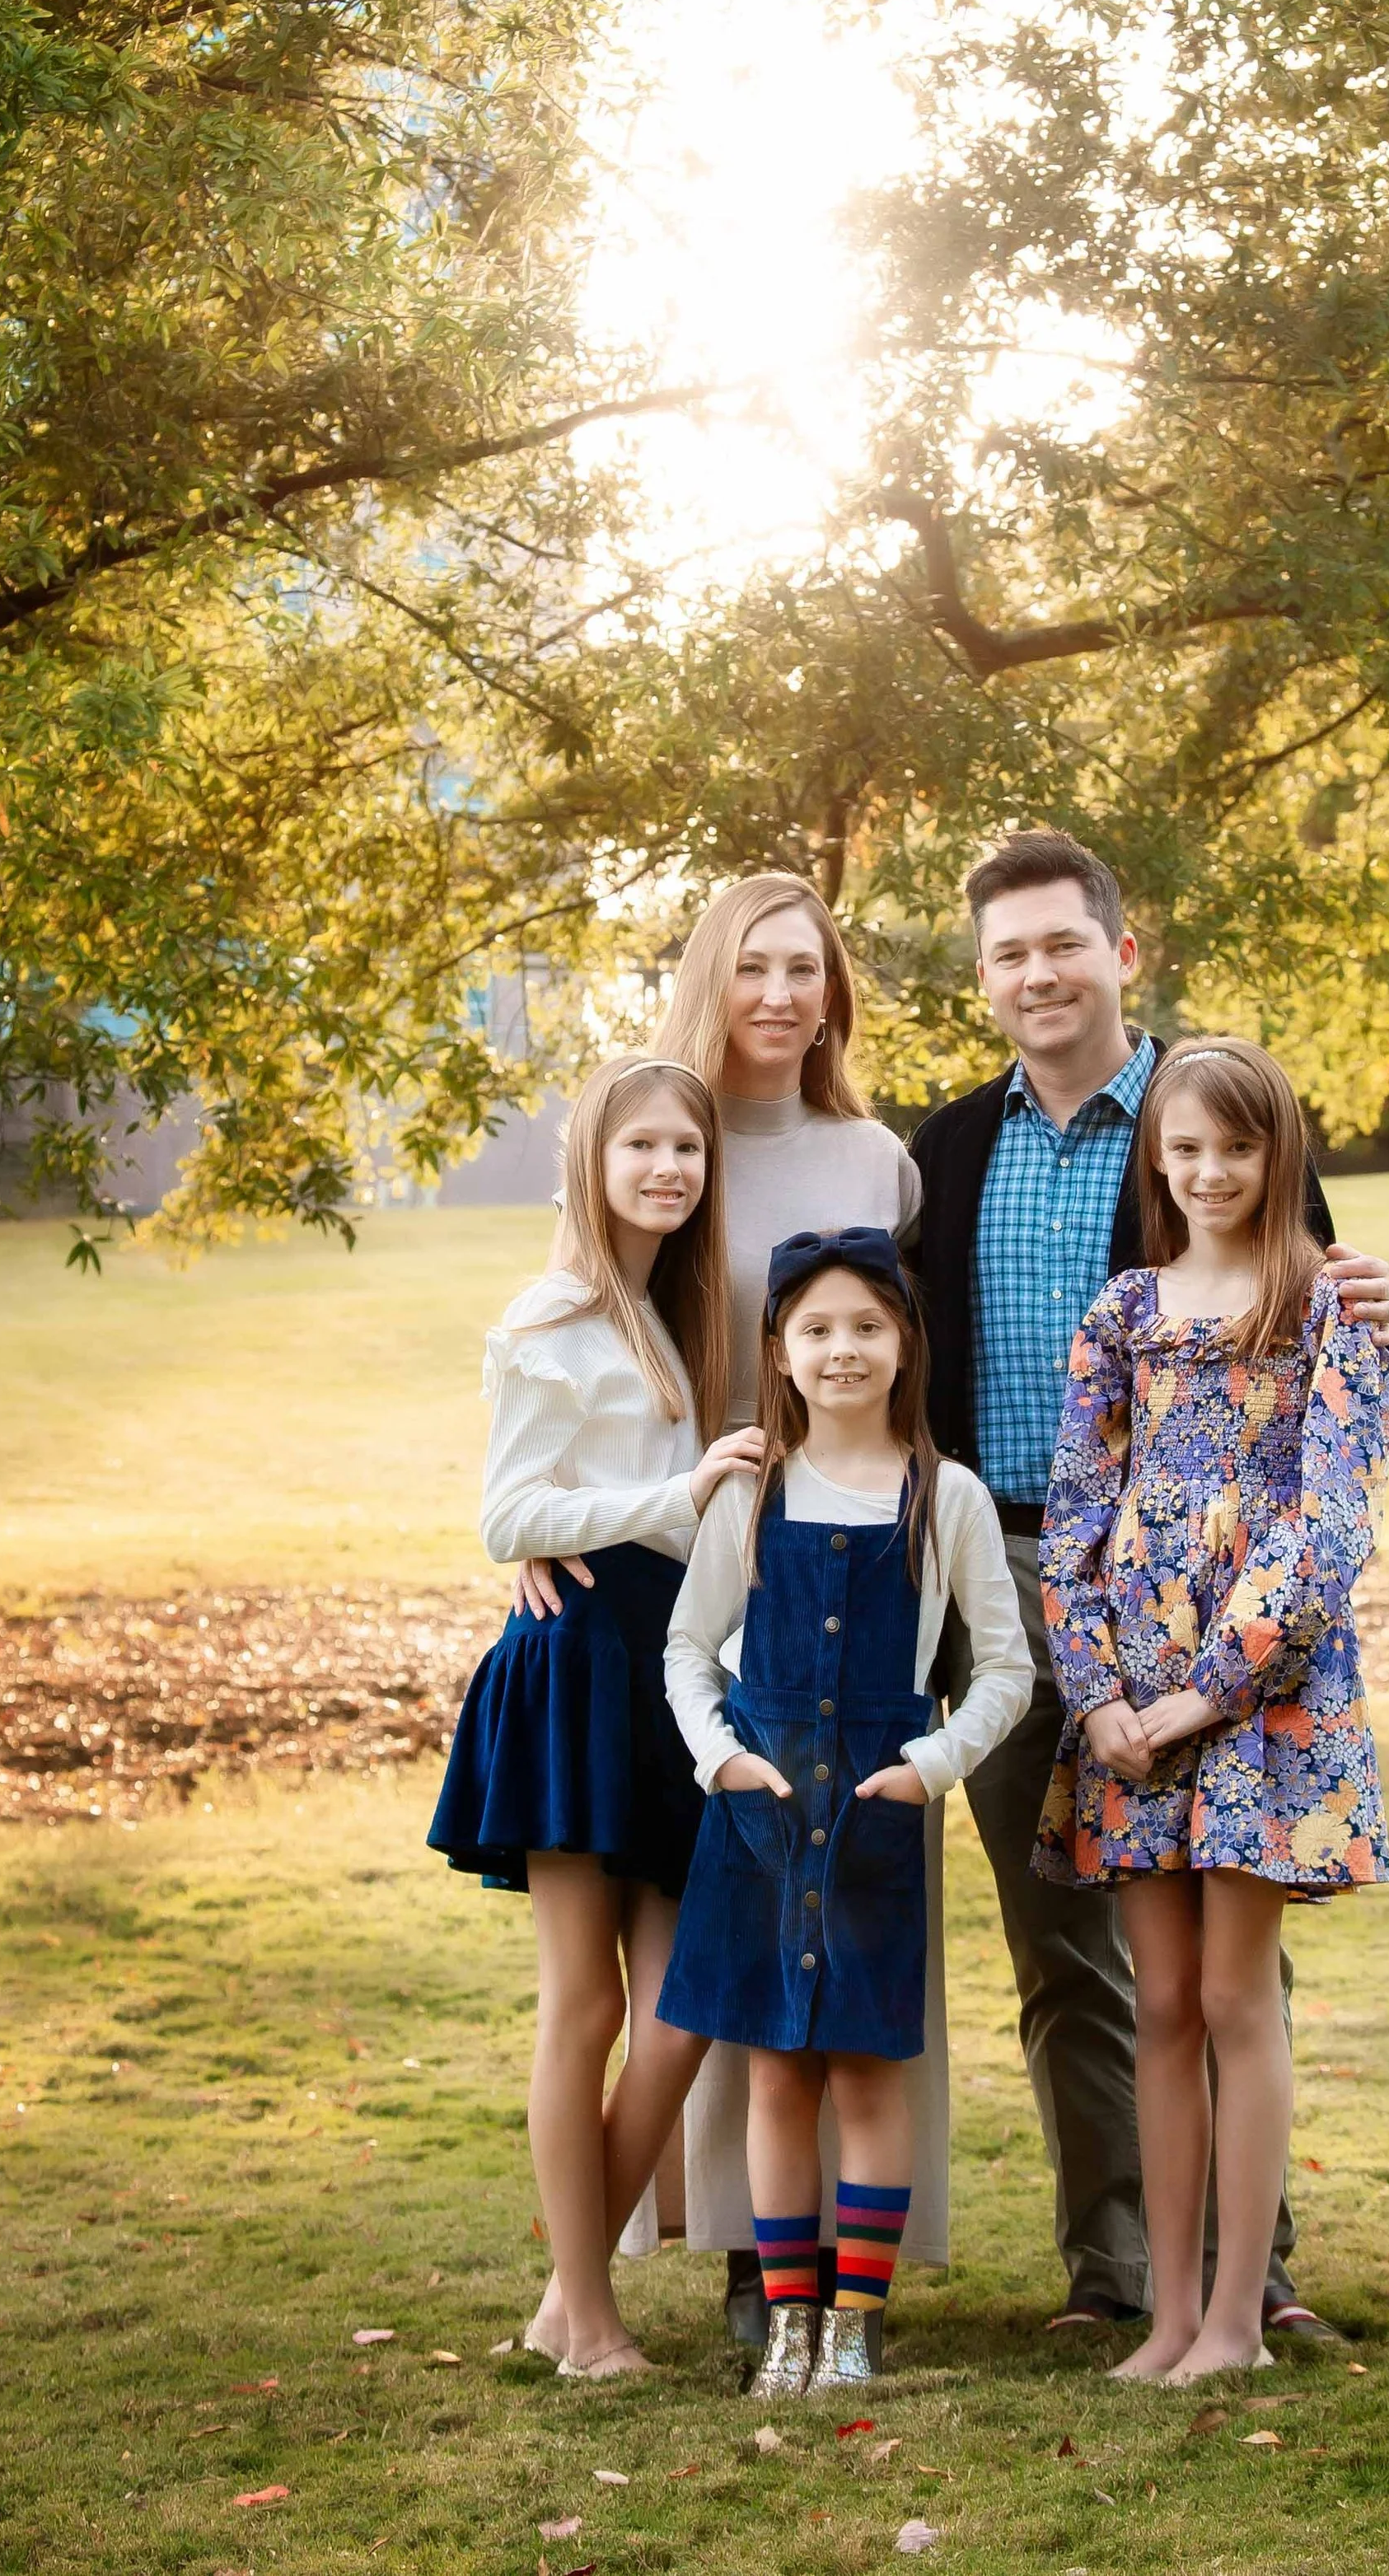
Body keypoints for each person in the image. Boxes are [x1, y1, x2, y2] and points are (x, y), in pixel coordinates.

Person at [909, 828, 1389, 2338]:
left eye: (1065, 942)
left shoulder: (1208, 1112)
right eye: (1009, 952)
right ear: (984, 979)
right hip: (1007, 1575)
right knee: (1069, 1950)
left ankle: (1254, 2275)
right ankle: (1116, 2274)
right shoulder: (945, 1150)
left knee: (1226, 1954)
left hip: (1222, 1600)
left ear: (1122, 953)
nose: (1039, 972)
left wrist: (1380, 1311)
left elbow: (1331, 1338)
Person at [513, 875, 927, 2340]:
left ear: (834, 990)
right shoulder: (667, 1135)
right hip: (677, 1589)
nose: (777, 994)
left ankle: (810, 2267)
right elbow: (579, 1340)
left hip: (838, 1565)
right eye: (750, 966)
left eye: (804, 968)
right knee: (690, 1956)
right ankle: (664, 2277)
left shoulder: (877, 1157)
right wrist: (570, 1512)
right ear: (714, 975)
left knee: (823, 1910)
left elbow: (895, 1344)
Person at [1040, 1037, 1389, 2382]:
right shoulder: (1125, 1312)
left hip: (1258, 1704)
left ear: (1278, 1152)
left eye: (1234, 1149)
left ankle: (1241, 2315)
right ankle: (1172, 2316)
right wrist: (1105, 1698)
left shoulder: (1326, 1311)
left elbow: (1327, 1535)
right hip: (1130, 1704)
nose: (1208, 1173)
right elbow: (1074, 1513)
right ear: (1160, 1158)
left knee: (1240, 1998)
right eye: (1183, 1150)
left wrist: (1199, 1695)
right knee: (1164, 2002)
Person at [426, 1054, 762, 2377]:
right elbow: (507, 1517)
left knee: (681, 2006)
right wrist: (665, 1504)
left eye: (688, 1147)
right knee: (586, 2007)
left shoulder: (683, 1310)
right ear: (593, 1163)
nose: (669, 1168)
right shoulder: (550, 1314)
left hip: (671, 1671)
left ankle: (570, 2298)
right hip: (572, 1664)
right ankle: (592, 2321)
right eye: (643, 1149)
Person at [657, 1229, 1031, 2395]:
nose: (842, 1348)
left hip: (876, 1817)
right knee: (775, 2076)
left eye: (868, 1325)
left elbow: (1007, 1671)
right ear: (779, 1348)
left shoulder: (948, 1496)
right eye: (816, 1328)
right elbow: (686, 1651)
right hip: (758, 1820)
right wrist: (718, 1759)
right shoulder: (751, 1491)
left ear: (906, 1341)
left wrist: (933, 1761)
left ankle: (857, 2326)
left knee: (868, 2076)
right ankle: (785, 2324)